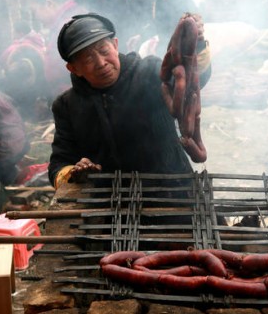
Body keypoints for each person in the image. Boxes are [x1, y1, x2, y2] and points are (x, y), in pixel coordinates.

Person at [48, 13, 211, 188]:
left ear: (115, 45)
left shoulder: (150, 73)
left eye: (104, 51)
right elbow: (59, 165)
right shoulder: (66, 106)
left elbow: (191, 81)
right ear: (73, 68)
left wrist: (197, 45)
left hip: (172, 191)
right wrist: (74, 174)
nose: (101, 63)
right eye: (88, 58)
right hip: (109, 203)